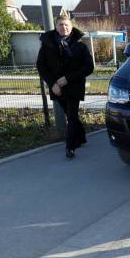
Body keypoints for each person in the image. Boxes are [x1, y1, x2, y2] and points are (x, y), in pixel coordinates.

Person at [37, 14, 94, 159]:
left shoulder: (80, 46)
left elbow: (88, 67)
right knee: (70, 115)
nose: (64, 27)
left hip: (74, 86)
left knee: (72, 116)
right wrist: (52, 84)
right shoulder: (47, 44)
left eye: (66, 25)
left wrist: (68, 78)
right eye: (61, 25)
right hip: (57, 87)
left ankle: (70, 147)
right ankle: (81, 137)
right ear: (56, 27)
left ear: (71, 26)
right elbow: (41, 66)